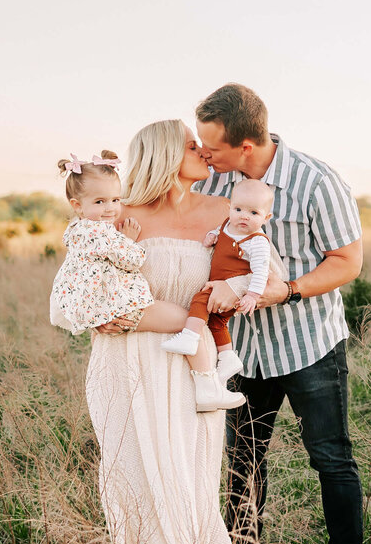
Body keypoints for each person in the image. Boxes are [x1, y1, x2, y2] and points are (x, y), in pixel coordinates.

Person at [50, 119, 319, 544]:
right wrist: (117, 314)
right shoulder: (114, 216)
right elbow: (68, 297)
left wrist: (232, 290)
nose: (204, 151)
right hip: (123, 363)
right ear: (164, 154)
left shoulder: (228, 212)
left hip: (192, 365)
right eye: (191, 145)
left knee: (187, 479)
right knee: (133, 477)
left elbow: (272, 280)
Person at [193, 83, 367, 544]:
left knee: (331, 459)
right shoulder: (215, 179)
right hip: (241, 352)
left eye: (212, 147)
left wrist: (286, 289)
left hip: (308, 343)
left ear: (247, 147)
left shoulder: (316, 182)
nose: (204, 155)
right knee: (243, 463)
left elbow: (347, 262)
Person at [50, 150, 243, 412]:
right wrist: (128, 241)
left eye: (114, 199)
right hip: (125, 307)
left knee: (187, 322)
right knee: (190, 321)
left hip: (117, 306)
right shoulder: (98, 231)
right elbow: (132, 259)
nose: (110, 208)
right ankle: (209, 383)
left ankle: (213, 377)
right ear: (77, 205)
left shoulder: (80, 230)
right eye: (100, 202)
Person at [159, 178, 279, 384]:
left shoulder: (257, 241)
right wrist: (212, 236)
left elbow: (261, 271)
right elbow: (220, 231)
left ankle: (190, 337)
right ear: (230, 207)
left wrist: (251, 295)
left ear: (266, 217)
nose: (243, 217)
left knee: (199, 301)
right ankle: (228, 357)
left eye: (253, 213)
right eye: (238, 209)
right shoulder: (227, 224)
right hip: (219, 283)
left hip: (229, 288)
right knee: (217, 323)